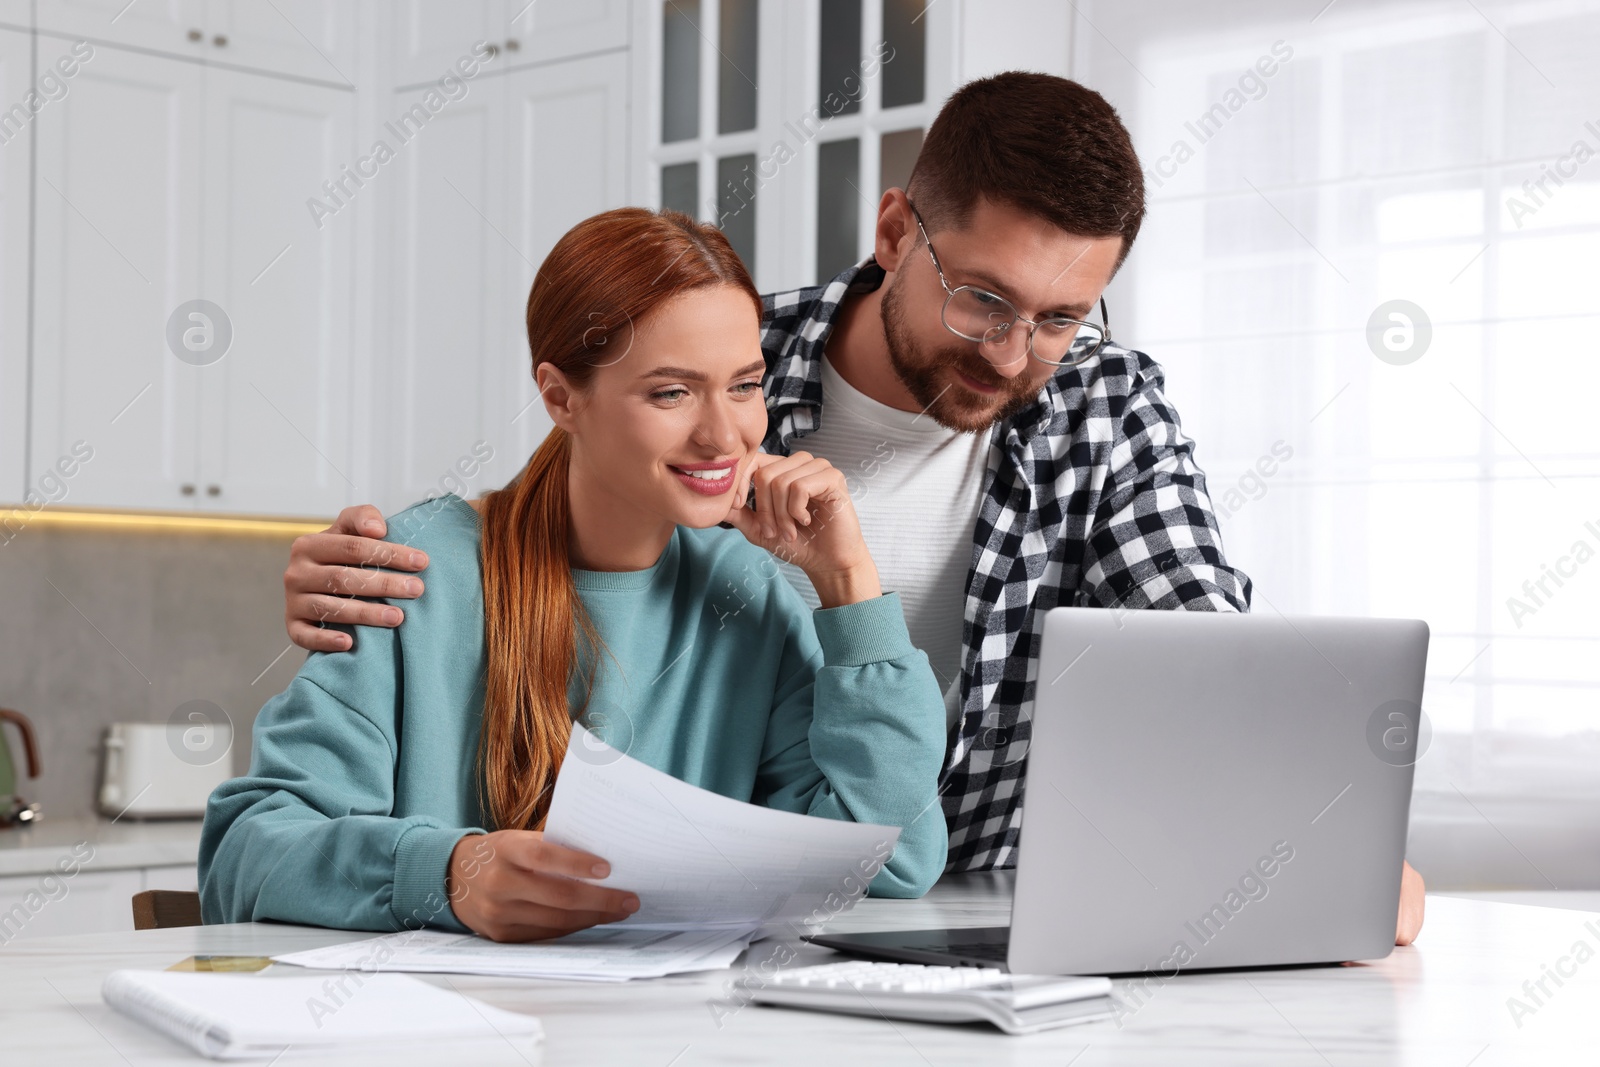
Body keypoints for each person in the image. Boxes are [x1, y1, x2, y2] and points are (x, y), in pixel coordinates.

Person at [276, 73, 1426, 944]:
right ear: (893, 236)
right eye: (984, 299)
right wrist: (386, 570)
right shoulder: (734, 346)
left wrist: (1323, 833)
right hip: (725, 911)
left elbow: (1206, 656)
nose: (1018, 354)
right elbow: (546, 523)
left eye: (1064, 315)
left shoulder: (1102, 405)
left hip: (949, 891)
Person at [200, 209, 948, 942]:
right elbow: (244, 856)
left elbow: (890, 856)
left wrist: (849, 581)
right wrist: (446, 871)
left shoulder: (747, 593)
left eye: (745, 385)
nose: (725, 434)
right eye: (671, 392)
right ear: (560, 396)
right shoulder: (415, 570)